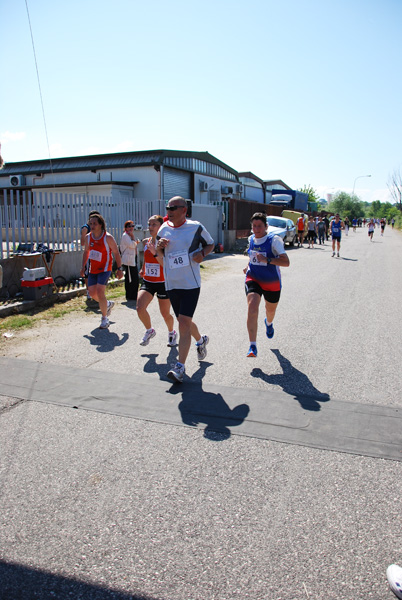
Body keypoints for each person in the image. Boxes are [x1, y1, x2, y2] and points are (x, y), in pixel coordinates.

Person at [155, 196, 214, 383]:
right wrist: (159, 247)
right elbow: (160, 254)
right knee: (183, 321)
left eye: (173, 208)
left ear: (184, 210)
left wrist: (202, 253)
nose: (169, 211)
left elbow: (210, 243)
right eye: (167, 207)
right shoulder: (163, 229)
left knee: (183, 323)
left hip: (190, 284)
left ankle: (179, 367)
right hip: (172, 283)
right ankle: (201, 339)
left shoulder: (196, 227)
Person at [244, 212, 290, 358]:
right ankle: (253, 346)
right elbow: (253, 257)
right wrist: (248, 266)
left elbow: (286, 262)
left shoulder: (274, 240)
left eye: (260, 226)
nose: (256, 229)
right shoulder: (251, 239)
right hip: (254, 278)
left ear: (266, 227)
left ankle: (268, 323)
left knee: (270, 311)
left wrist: (267, 260)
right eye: (254, 226)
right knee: (252, 307)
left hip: (271, 281)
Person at [137, 215, 177, 347]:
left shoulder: (164, 243)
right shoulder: (146, 242)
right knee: (139, 307)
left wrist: (155, 252)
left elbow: (165, 264)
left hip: (163, 282)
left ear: (161, 226)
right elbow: (146, 258)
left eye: (154, 225)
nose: (150, 227)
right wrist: (143, 269)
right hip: (148, 281)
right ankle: (149, 330)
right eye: (149, 224)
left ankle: (172, 332)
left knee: (165, 313)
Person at [80, 213, 123, 329]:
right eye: (91, 223)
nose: (92, 226)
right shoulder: (88, 237)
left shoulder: (107, 237)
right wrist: (83, 267)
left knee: (100, 291)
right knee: (92, 293)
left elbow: (116, 253)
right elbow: (86, 252)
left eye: (95, 223)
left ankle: (104, 318)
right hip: (93, 269)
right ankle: (107, 304)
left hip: (105, 268)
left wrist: (119, 269)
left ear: (101, 225)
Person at [80, 210, 100, 300]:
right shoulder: (86, 228)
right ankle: (89, 292)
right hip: (90, 254)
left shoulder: (100, 229)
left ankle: (96, 292)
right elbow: (82, 243)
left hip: (98, 255)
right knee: (88, 273)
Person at [120, 220, 139, 301]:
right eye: (129, 226)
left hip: (132, 259)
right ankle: (130, 295)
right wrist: (134, 239)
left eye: (132, 226)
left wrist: (133, 239)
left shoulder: (130, 236)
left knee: (132, 278)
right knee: (131, 278)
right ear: (126, 228)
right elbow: (132, 245)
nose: (131, 228)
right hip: (128, 260)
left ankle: (132, 295)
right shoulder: (125, 236)